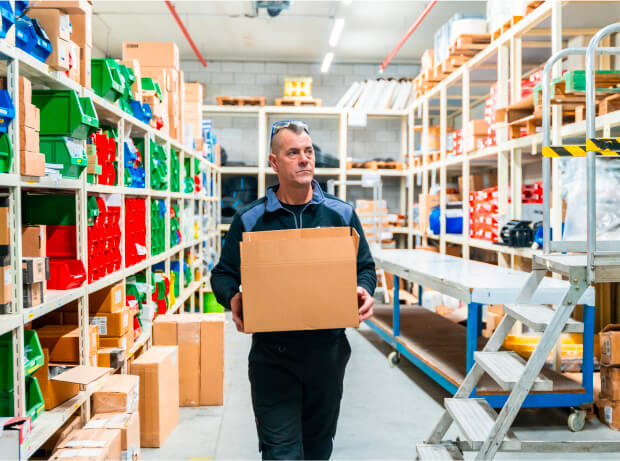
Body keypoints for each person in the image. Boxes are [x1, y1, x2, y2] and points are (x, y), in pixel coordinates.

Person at [210, 120, 376, 460]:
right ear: (274, 163)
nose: (304, 159)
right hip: (274, 356)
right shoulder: (250, 219)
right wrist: (234, 296)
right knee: (280, 452)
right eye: (293, 153)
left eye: (308, 151)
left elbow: (365, 267)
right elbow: (222, 274)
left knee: (317, 449)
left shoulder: (341, 215)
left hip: (327, 354)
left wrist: (363, 288)